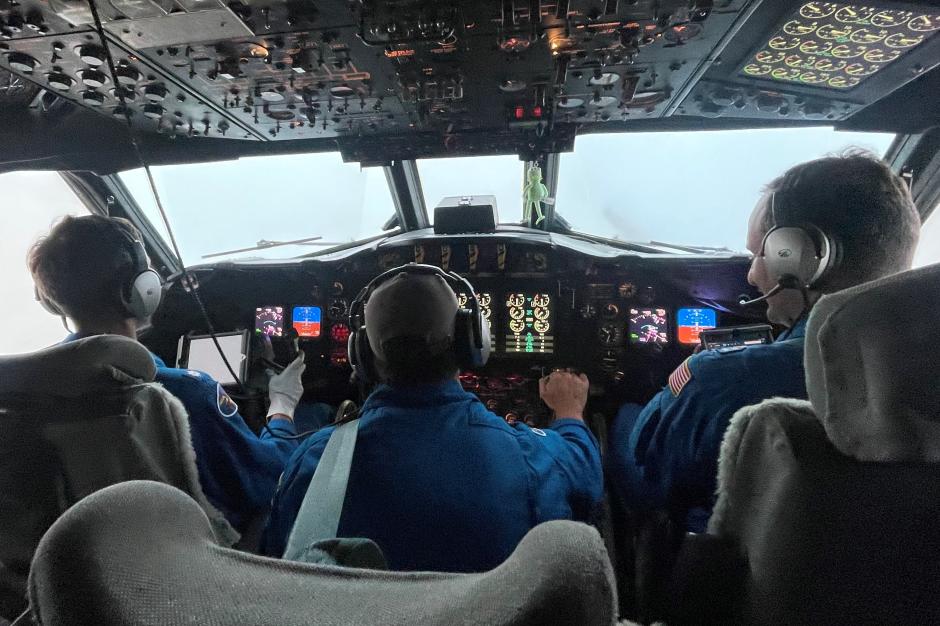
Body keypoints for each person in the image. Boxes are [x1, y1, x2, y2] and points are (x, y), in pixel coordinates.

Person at [607, 152, 921, 532]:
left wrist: (614, 407)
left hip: (740, 579)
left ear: (802, 261)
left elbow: (652, 473)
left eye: (760, 254)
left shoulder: (722, 380)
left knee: (620, 419)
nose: (753, 276)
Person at [261, 266, 603, 572]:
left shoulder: (315, 463)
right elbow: (586, 480)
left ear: (361, 355)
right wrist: (569, 413)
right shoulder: (531, 457)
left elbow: (279, 564)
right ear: (472, 342)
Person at [28, 214, 306, 534]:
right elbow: (272, 477)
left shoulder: (33, 391)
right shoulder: (183, 393)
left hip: (91, 551)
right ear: (137, 289)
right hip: (200, 556)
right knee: (316, 424)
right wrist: (282, 406)